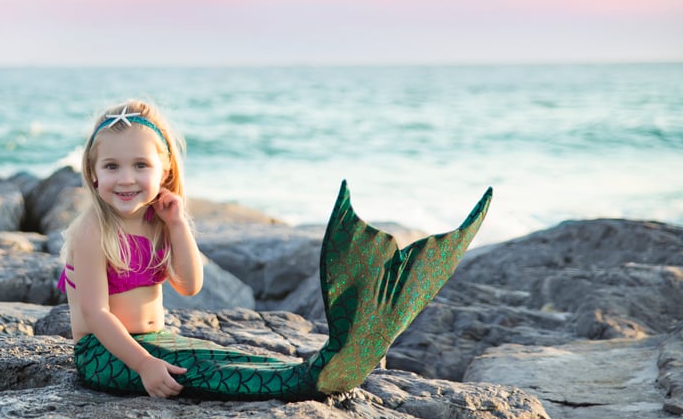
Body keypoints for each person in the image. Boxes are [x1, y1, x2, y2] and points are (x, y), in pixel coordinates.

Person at [58, 99, 492, 401]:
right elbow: (97, 316)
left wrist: (176, 224)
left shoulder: (156, 220)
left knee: (233, 357)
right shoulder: (91, 230)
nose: (126, 178)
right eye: (111, 166)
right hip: (104, 355)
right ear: (93, 174)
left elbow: (190, 285)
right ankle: (312, 380)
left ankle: (327, 362)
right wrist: (145, 365)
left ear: (165, 168)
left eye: (140, 165)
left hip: (155, 339)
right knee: (207, 374)